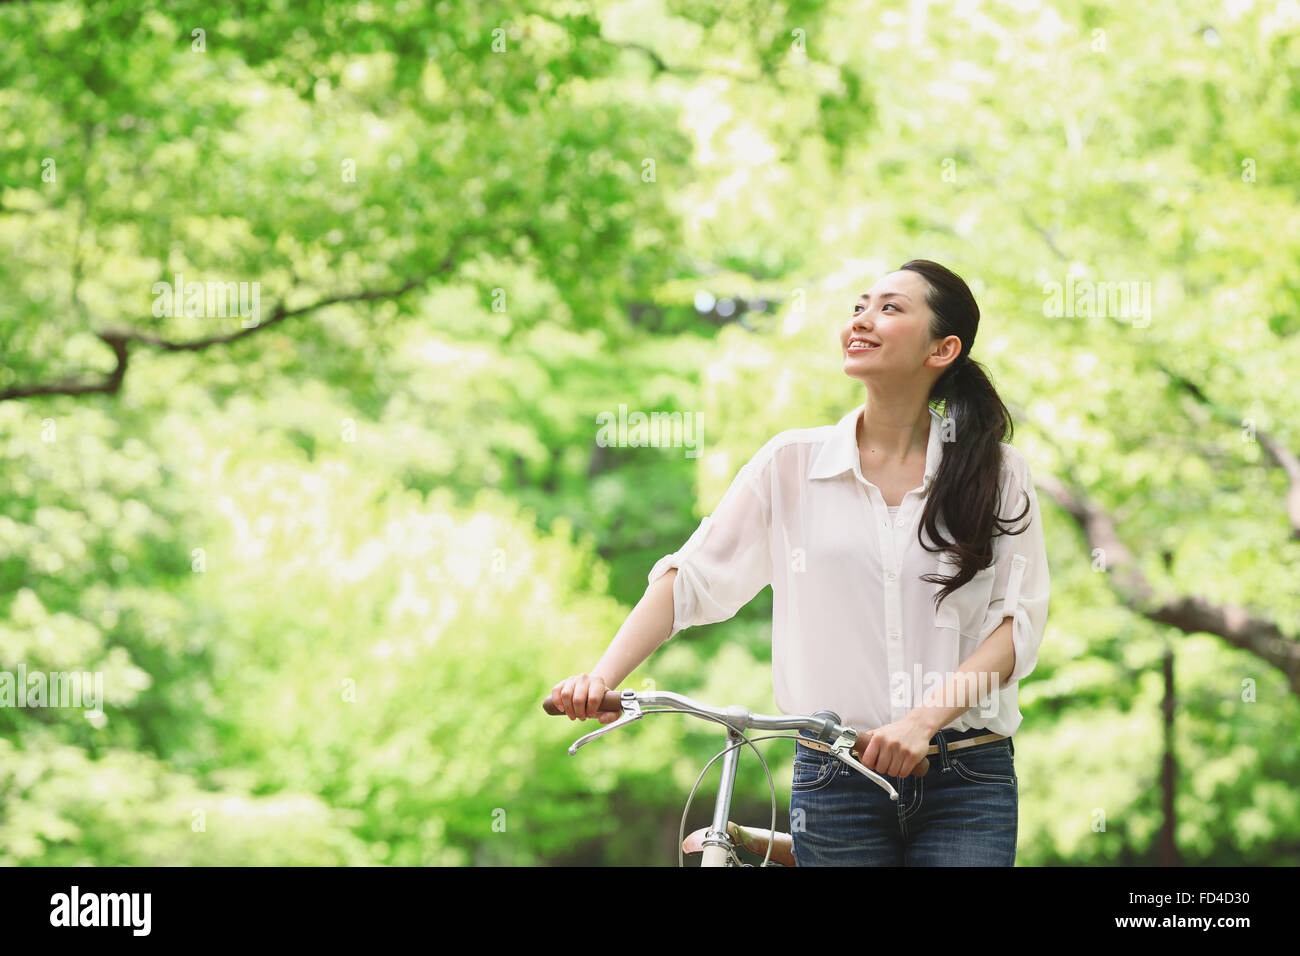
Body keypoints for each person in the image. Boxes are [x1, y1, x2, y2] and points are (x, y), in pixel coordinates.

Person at [549, 259, 1050, 866]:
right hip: (834, 777)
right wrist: (604, 677)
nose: (862, 320)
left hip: (967, 776)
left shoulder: (997, 473)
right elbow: (692, 578)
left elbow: (1013, 629)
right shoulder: (790, 464)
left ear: (942, 349)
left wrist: (921, 722)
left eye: (890, 308)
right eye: (859, 306)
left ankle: (773, 850)